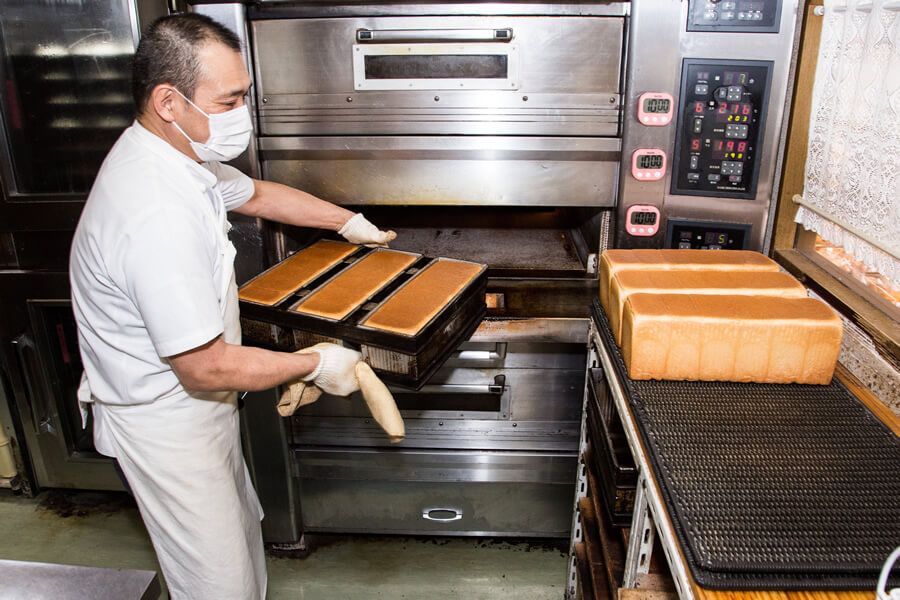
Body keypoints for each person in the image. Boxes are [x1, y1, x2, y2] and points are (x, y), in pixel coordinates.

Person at [69, 13, 392, 600]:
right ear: (169, 100)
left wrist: (346, 222)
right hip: (165, 424)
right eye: (232, 98)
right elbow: (204, 365)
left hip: (202, 408)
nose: (244, 110)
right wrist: (314, 364)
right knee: (219, 586)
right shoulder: (153, 211)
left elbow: (259, 194)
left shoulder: (175, 157)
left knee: (242, 545)